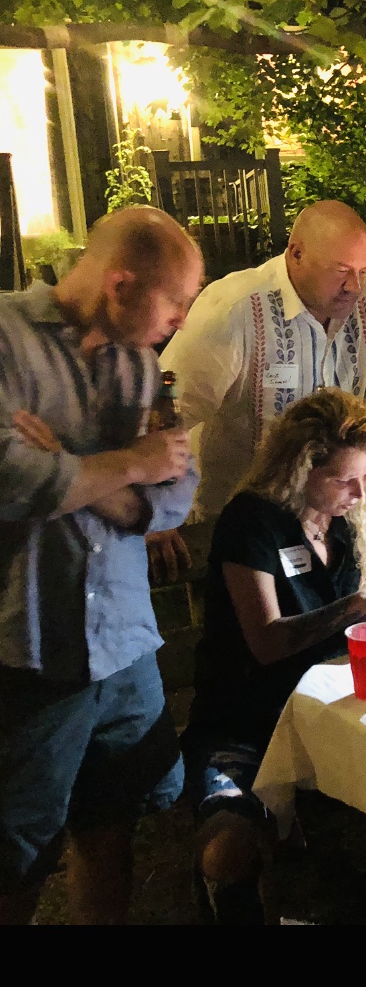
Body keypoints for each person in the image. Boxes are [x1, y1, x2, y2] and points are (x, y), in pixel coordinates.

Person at [0, 206, 204, 925]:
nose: (181, 319)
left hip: (121, 643)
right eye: (175, 301)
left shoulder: (142, 366)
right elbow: (12, 480)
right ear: (120, 283)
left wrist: (72, 465)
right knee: (15, 855)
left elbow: (177, 496)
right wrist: (133, 465)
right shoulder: (4, 340)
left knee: (112, 827)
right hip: (31, 649)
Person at [181, 387, 366, 925]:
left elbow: (362, 582)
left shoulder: (342, 521)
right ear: (299, 469)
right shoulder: (252, 522)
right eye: (343, 479)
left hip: (331, 712)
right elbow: (267, 641)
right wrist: (354, 604)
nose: (358, 492)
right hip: (248, 718)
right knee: (230, 849)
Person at [150, 199, 366, 581]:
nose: (355, 285)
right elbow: (166, 411)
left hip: (334, 528)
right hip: (240, 531)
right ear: (297, 253)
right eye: (342, 270)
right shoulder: (235, 310)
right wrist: (156, 509)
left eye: (364, 270)